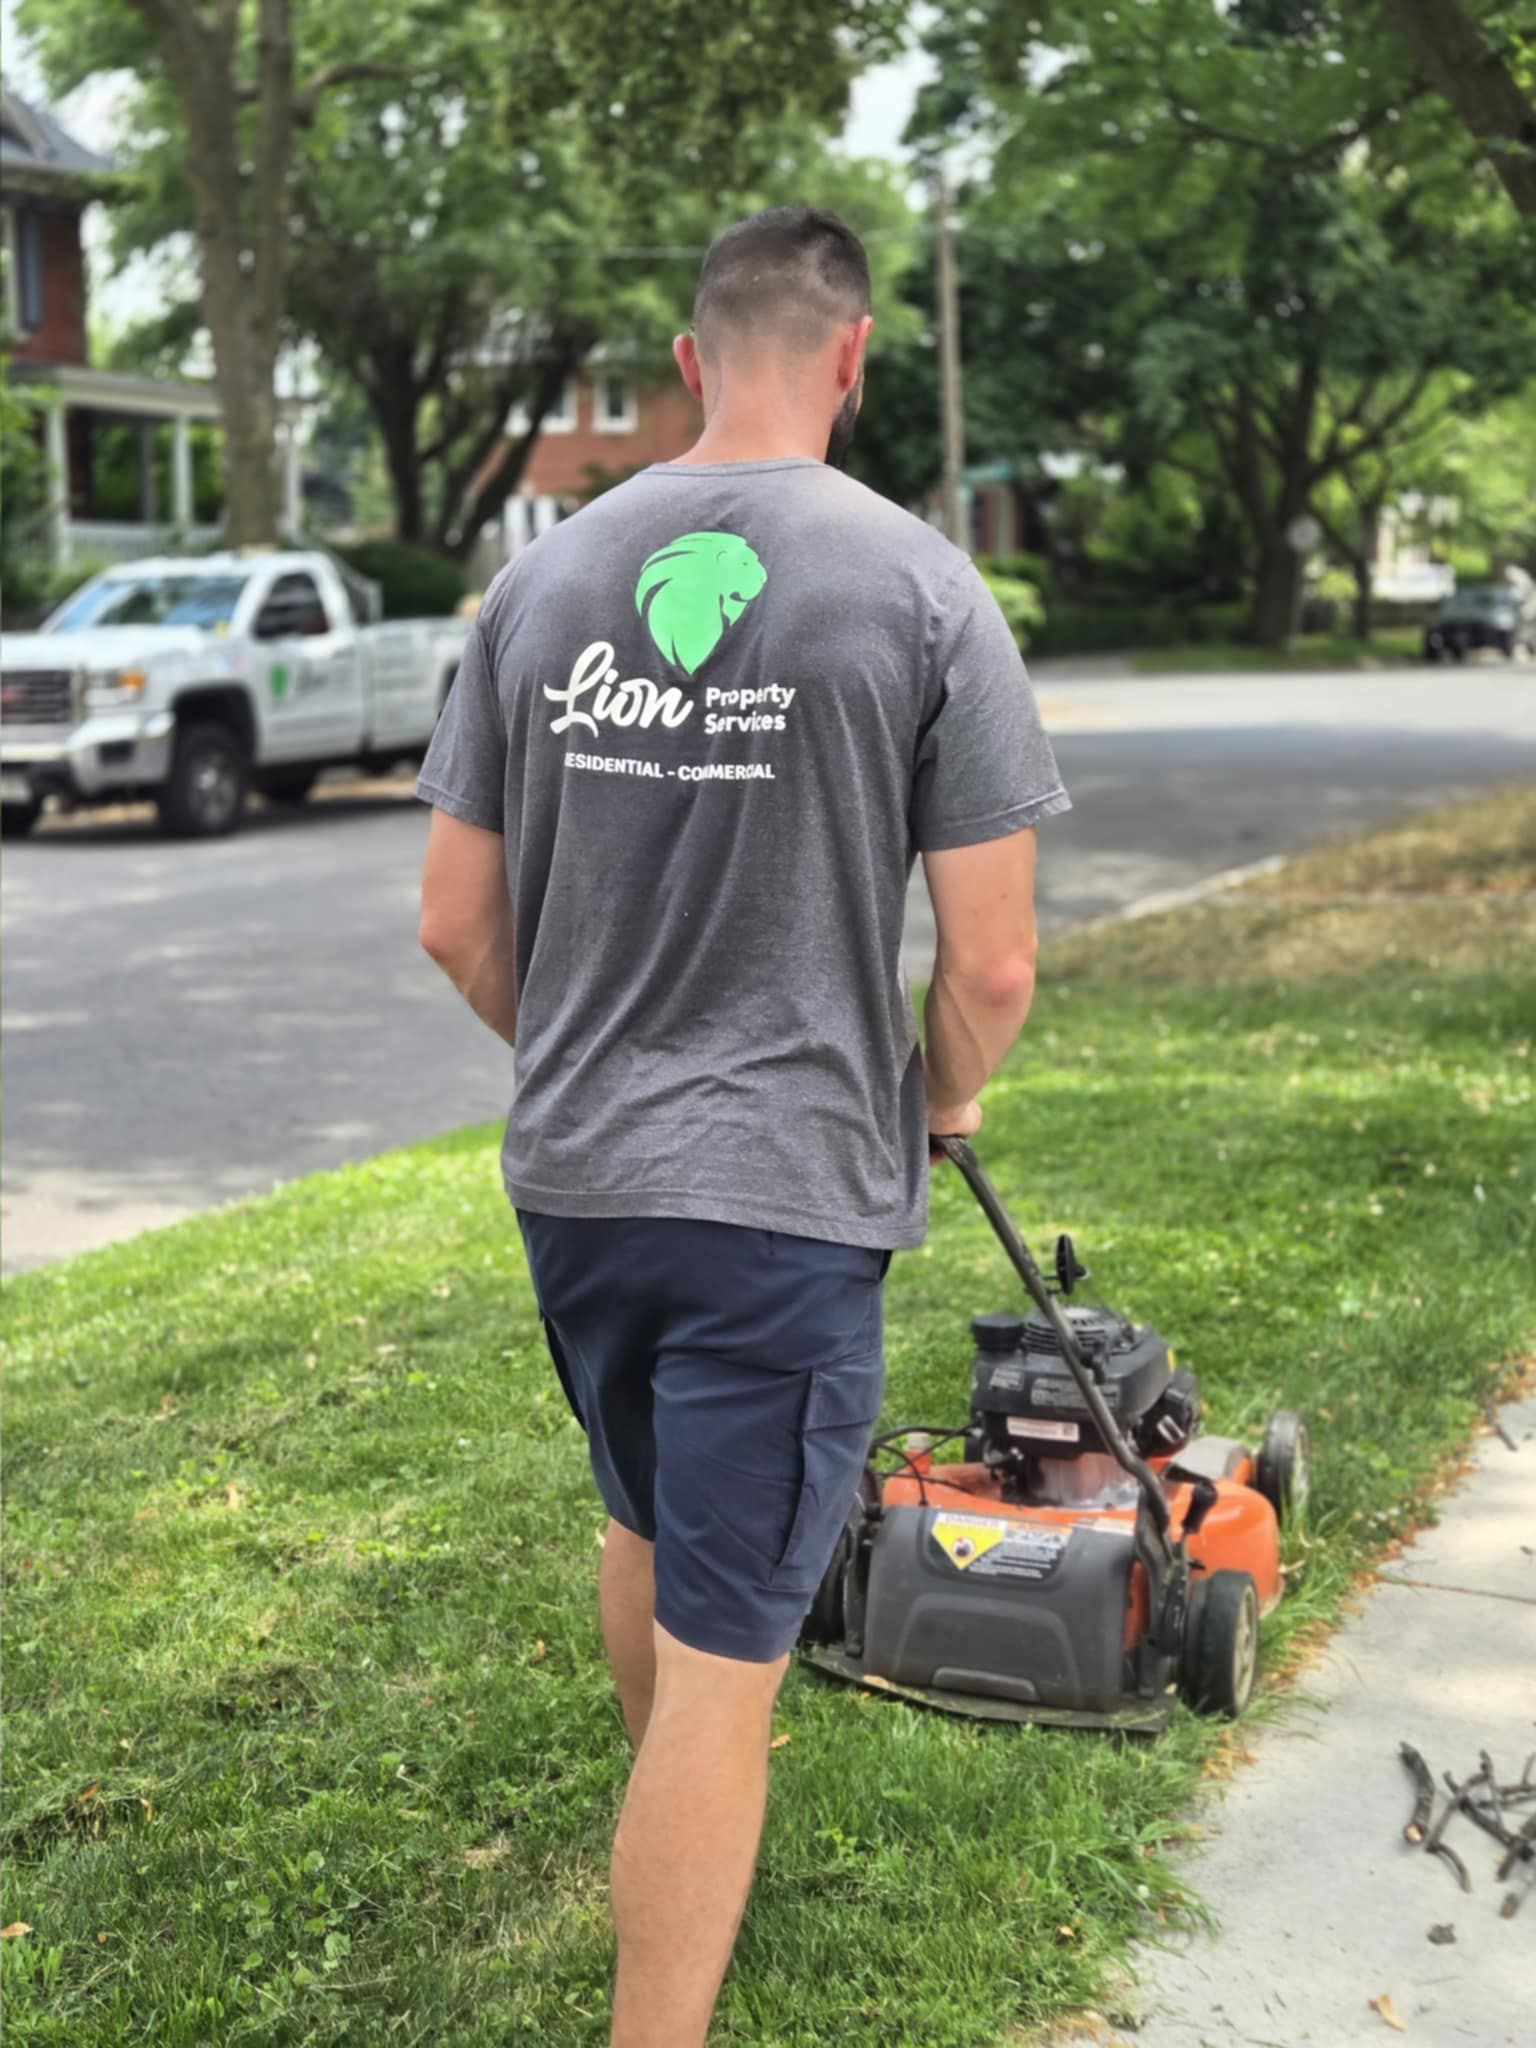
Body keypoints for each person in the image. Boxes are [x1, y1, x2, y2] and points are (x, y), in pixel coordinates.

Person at [416, 205, 1069, 2048]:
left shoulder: (540, 584)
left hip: (579, 1186)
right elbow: (996, 964)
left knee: (643, 1521)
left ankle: (669, 1835)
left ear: (692, 362)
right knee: (728, 1674)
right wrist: (937, 1096)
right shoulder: (923, 586)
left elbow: (452, 924)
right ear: (857, 357)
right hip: (780, 1198)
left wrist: (591, 1059)